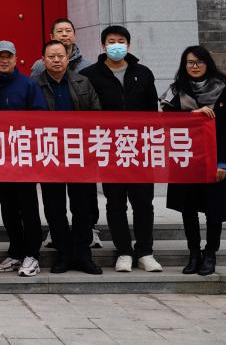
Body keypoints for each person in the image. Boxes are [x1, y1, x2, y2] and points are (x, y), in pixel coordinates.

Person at [80, 25, 162, 273]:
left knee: (143, 202)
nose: (116, 45)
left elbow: (153, 111)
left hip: (139, 148)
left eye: (121, 41)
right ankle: (124, 251)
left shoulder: (143, 73)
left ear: (128, 44)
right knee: (115, 203)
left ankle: (145, 251)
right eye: (111, 41)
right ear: (103, 45)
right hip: (109, 148)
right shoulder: (90, 75)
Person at [162, 46, 226, 276]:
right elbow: (165, 122)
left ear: (207, 64)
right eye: (190, 62)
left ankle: (210, 253)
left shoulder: (219, 90)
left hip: (212, 161)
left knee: (214, 210)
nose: (194, 66)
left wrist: (223, 163)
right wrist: (190, 116)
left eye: (199, 62)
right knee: (188, 209)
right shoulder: (175, 91)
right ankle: (194, 253)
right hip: (185, 160)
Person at [35, 41, 103, 275]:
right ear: (43, 60)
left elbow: (96, 113)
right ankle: (63, 254)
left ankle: (83, 255)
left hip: (79, 154)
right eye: (51, 56)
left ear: (68, 58)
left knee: (82, 207)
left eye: (60, 56)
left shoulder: (82, 82)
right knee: (54, 208)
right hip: (50, 154)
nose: (56, 60)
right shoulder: (34, 85)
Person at [0, 40, 47, 278]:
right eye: (0, 56)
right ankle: (15, 251)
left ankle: (32, 254)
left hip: (23, 157)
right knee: (8, 207)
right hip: (0, 157)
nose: (4, 60)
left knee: (28, 207)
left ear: (16, 59)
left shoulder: (28, 84)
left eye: (8, 56)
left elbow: (40, 117)